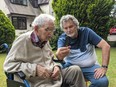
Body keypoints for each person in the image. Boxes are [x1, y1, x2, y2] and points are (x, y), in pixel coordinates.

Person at [3, 14, 86, 87]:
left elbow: (51, 59)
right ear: (36, 29)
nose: (51, 34)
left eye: (52, 30)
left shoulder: (45, 40)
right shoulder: (23, 40)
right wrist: (34, 69)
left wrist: (57, 66)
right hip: (38, 82)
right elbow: (8, 65)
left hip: (53, 77)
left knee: (75, 70)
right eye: (47, 29)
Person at [56, 14, 110, 87]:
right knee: (60, 82)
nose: (68, 30)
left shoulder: (86, 32)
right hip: (71, 67)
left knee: (102, 82)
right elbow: (59, 57)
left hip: (90, 67)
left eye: (71, 26)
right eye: (65, 28)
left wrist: (104, 67)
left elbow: (105, 46)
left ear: (76, 25)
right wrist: (59, 56)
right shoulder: (63, 39)